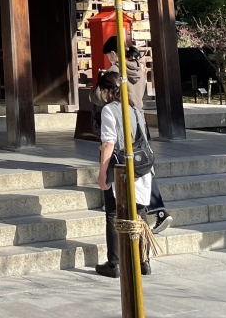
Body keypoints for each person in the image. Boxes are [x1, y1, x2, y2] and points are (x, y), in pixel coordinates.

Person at [90, 37, 172, 234]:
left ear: (113, 53)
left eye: (108, 55)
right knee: (143, 164)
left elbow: (99, 98)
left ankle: (122, 200)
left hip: (121, 120)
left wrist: (100, 81)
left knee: (122, 161)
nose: (109, 58)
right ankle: (158, 209)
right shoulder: (139, 68)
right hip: (138, 119)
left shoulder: (115, 71)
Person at [95, 70, 166, 279]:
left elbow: (108, 143)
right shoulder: (134, 108)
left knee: (112, 213)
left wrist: (101, 173)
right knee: (140, 212)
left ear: (107, 91)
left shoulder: (109, 110)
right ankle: (144, 261)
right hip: (142, 166)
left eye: (102, 91)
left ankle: (114, 263)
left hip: (120, 168)